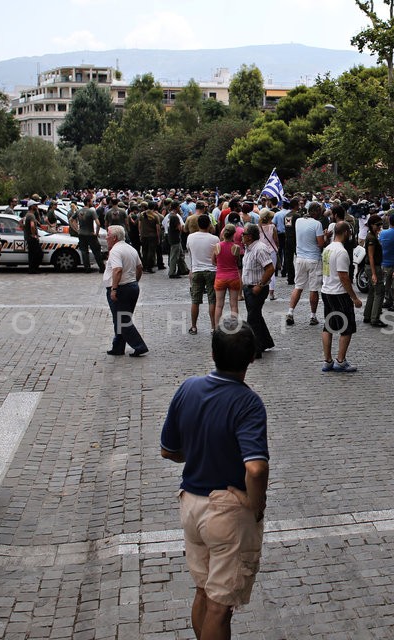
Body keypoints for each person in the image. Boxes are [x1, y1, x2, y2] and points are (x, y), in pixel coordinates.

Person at [160, 317, 269, 640]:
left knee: (204, 592)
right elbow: (256, 468)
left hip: (191, 504)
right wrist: (255, 503)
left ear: (212, 353)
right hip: (225, 512)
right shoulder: (248, 402)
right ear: (252, 358)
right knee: (220, 607)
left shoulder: (188, 388)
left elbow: (169, 450)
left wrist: (195, 452)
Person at [321, 222, 363, 372]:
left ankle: (327, 360)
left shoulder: (327, 249)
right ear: (345, 233)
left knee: (328, 326)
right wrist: (354, 298)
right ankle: (340, 360)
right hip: (338, 293)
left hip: (326, 290)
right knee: (347, 327)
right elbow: (343, 276)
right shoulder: (341, 252)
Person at [104, 225, 148, 357]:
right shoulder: (130, 248)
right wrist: (135, 281)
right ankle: (118, 346)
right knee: (121, 319)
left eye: (108, 235)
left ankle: (139, 346)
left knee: (123, 321)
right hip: (131, 286)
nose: (106, 238)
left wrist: (114, 288)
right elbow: (139, 267)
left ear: (114, 238)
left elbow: (117, 270)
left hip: (122, 288)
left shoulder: (116, 251)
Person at [286, 201, 325, 326]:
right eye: (320, 211)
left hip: (300, 258)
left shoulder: (298, 221)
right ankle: (313, 316)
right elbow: (320, 244)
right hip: (313, 259)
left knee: (298, 286)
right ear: (316, 212)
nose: (321, 213)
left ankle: (290, 312)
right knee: (313, 289)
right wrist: (326, 236)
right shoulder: (317, 224)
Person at [240, 224, 276, 359]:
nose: (241, 236)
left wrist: (260, 285)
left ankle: (255, 349)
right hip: (249, 287)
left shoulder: (259, 249)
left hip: (257, 288)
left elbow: (270, 268)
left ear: (249, 236)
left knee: (252, 319)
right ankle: (265, 341)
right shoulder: (249, 248)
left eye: (243, 234)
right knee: (256, 316)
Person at [186, 215, 220, 335]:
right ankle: (213, 327)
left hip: (196, 270)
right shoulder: (215, 239)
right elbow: (217, 255)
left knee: (195, 300)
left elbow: (189, 251)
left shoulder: (190, 237)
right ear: (209, 224)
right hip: (211, 270)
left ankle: (194, 326)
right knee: (212, 300)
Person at [213, 224, 242, 327]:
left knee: (219, 304)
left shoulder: (217, 246)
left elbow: (214, 262)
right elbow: (237, 262)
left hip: (220, 277)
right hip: (233, 277)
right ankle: (234, 326)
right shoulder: (236, 247)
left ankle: (216, 327)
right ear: (234, 234)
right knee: (234, 304)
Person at [362, 214, 387, 327]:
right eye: (377, 225)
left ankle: (368, 315)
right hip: (373, 267)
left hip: (371, 267)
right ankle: (375, 318)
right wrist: (373, 273)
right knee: (379, 292)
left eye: (380, 224)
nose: (379, 227)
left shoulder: (372, 236)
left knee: (372, 291)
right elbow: (371, 256)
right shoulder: (371, 238)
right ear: (371, 225)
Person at [379, 212, 394, 311]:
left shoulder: (383, 233)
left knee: (385, 284)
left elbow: (380, 245)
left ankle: (387, 301)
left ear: (389, 221)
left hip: (385, 262)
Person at [77, 196, 105, 273]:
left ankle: (87, 268)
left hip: (81, 234)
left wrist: (77, 229)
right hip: (90, 233)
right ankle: (102, 267)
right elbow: (98, 223)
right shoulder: (92, 211)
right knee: (96, 251)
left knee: (84, 251)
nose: (92, 202)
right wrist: (96, 233)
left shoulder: (79, 211)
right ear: (88, 202)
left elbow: (71, 220)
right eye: (91, 201)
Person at [258, 209, 279, 300]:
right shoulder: (272, 227)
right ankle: (271, 293)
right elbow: (276, 240)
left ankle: (260, 289)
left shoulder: (257, 227)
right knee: (272, 271)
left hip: (261, 250)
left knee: (261, 271)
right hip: (271, 250)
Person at [23, 200, 43, 273]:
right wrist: (34, 235)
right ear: (32, 207)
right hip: (31, 238)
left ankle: (31, 269)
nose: (37, 207)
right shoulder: (31, 215)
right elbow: (32, 226)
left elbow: (21, 223)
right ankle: (34, 268)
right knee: (39, 254)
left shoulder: (27, 215)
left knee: (31, 254)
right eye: (35, 205)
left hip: (28, 237)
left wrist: (25, 231)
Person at [165, 207, 185, 278]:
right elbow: (179, 228)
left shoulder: (170, 216)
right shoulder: (175, 217)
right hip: (175, 239)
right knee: (174, 256)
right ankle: (172, 272)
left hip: (172, 238)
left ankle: (184, 269)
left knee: (180, 255)